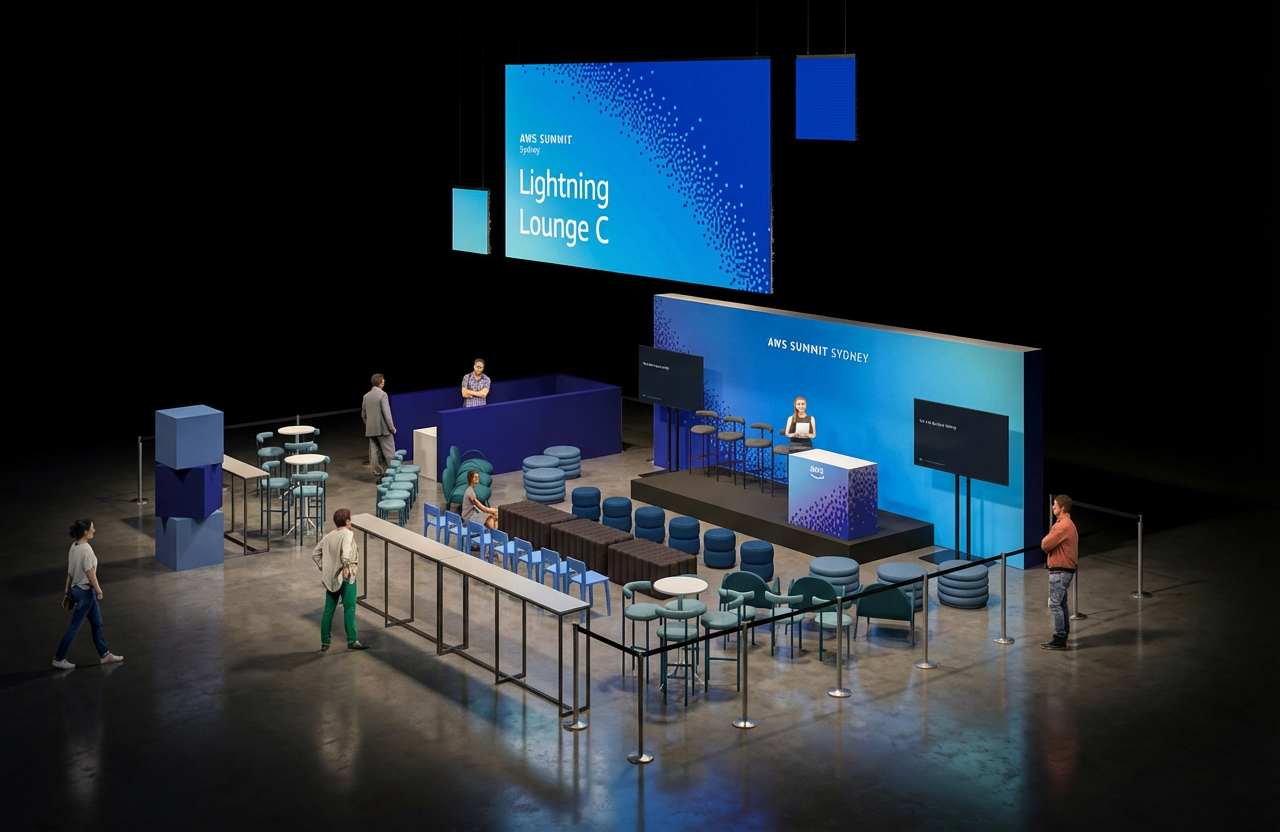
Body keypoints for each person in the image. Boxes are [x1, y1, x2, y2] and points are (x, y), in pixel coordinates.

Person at [53, 519, 123, 669]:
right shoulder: (87, 550)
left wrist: (67, 592)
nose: (94, 530)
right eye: (92, 528)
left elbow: (70, 573)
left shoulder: (74, 547)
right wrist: (98, 590)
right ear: (85, 532)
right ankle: (59, 658)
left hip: (77, 590)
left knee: (97, 623)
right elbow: (90, 573)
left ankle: (105, 655)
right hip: (85, 592)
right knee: (74, 626)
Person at [314, 507, 367, 651]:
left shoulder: (329, 536)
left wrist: (325, 568)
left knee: (328, 610)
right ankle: (352, 640)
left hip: (331, 577)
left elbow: (315, 553)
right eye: (350, 519)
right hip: (346, 577)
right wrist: (345, 566)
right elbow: (346, 551)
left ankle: (325, 642)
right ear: (347, 521)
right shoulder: (348, 534)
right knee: (349, 608)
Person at [1040, 494, 1079, 650]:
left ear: (1062, 508)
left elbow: (1045, 544)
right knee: (1061, 604)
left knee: (1054, 605)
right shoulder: (1069, 524)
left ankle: (1059, 639)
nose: (1053, 507)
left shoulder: (1062, 526)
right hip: (1065, 570)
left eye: (1055, 505)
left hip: (1060, 571)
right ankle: (1063, 635)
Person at [362, 373, 397, 482]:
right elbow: (387, 413)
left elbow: (363, 414)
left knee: (374, 453)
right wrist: (391, 427)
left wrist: (369, 425)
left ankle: (377, 476)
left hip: (371, 430)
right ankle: (392, 474)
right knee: (389, 452)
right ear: (380, 383)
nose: (384, 383)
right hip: (383, 429)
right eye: (383, 381)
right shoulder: (383, 395)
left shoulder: (366, 396)